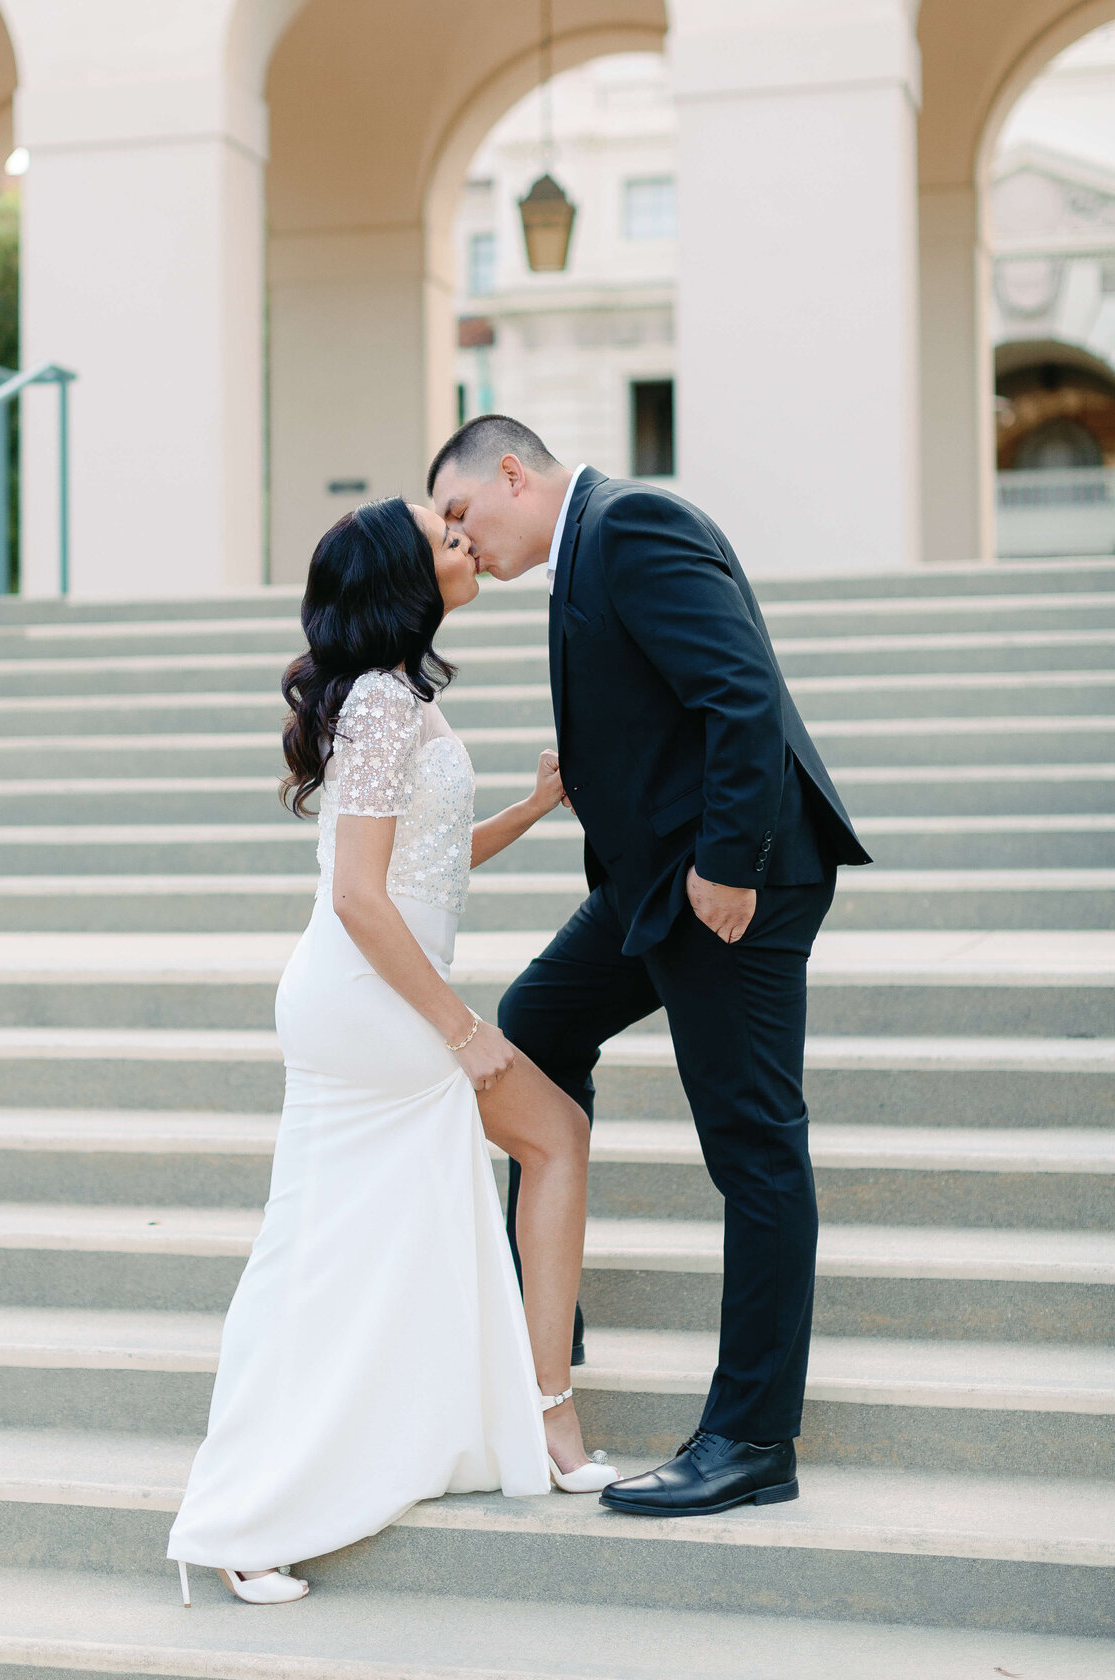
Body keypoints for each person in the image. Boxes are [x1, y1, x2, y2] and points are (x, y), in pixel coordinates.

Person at [167, 497, 618, 1609]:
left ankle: (280, 1498)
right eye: (444, 540)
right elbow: (362, 898)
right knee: (546, 1140)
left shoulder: (393, 696)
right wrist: (462, 1031)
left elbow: (425, 863)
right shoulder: (379, 702)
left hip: (368, 1000)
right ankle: (543, 1418)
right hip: (374, 1005)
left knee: (325, 1251)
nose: (465, 545)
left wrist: (530, 807)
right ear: (402, 578)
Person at [428, 416, 871, 1519]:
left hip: (729, 887)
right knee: (532, 1031)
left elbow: (742, 694)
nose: (459, 540)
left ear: (515, 475)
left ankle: (753, 1436)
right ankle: (545, 1319)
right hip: (650, 887)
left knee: (753, 1146)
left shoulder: (632, 526)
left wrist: (730, 864)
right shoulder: (587, 547)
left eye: (462, 514)